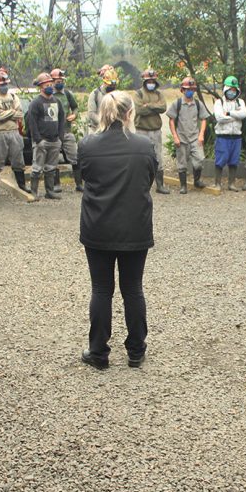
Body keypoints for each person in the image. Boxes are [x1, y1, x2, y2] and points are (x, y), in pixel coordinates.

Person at [77, 91, 156, 370]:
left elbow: (83, 177)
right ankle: (136, 351)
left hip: (98, 225)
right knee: (133, 288)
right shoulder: (144, 145)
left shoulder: (87, 144)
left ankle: (98, 352)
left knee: (101, 289)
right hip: (135, 227)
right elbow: (148, 179)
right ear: (130, 113)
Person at [0, 68, 27, 197]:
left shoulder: (13, 96)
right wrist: (12, 112)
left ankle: (22, 184)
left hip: (14, 132)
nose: (5, 86)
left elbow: (19, 113)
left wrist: (7, 113)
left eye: (6, 84)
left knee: (18, 159)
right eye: (2, 84)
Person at [26, 72, 66, 200]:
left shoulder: (57, 101)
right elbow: (32, 123)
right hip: (41, 141)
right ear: (41, 87)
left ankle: (50, 191)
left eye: (51, 84)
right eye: (47, 85)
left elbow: (61, 119)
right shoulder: (35, 103)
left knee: (51, 168)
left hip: (55, 141)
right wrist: (38, 140)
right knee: (37, 168)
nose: (50, 86)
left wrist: (60, 138)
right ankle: (34, 192)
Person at [166, 77, 209, 194]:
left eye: (192, 89)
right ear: (182, 90)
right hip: (182, 138)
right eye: (187, 89)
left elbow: (204, 119)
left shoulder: (198, 104)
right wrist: (175, 136)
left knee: (199, 159)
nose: (189, 91)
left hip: (195, 137)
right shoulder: (177, 103)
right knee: (182, 163)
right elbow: (171, 120)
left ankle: (197, 180)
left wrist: (201, 134)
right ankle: (183, 186)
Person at [134, 68, 170, 194]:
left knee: (158, 157)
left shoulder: (159, 94)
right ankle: (142, 186)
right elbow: (139, 110)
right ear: (144, 81)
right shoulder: (138, 93)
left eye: (153, 80)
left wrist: (148, 105)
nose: (151, 83)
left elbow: (163, 107)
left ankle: (160, 185)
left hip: (156, 130)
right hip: (141, 130)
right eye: (148, 80)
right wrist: (155, 107)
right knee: (142, 158)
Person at [212, 75, 246, 192]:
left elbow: (244, 114)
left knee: (234, 161)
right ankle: (217, 183)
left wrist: (228, 113)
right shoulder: (219, 102)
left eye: (234, 90)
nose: (232, 92)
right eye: (230, 89)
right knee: (220, 160)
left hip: (236, 137)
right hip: (223, 136)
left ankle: (231, 183)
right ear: (225, 89)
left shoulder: (240, 102)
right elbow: (219, 118)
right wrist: (235, 116)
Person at [51, 68, 83, 192]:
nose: (60, 83)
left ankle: (79, 183)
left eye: (61, 81)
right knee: (54, 158)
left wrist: (74, 115)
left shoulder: (68, 94)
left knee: (75, 156)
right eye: (57, 81)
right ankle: (56, 184)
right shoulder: (49, 95)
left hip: (67, 131)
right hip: (53, 133)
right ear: (53, 81)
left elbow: (75, 107)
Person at [86, 65, 117, 136]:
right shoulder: (95, 94)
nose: (111, 87)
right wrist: (104, 123)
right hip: (96, 130)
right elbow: (91, 114)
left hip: (112, 132)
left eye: (113, 86)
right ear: (104, 81)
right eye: (109, 85)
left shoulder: (117, 95)